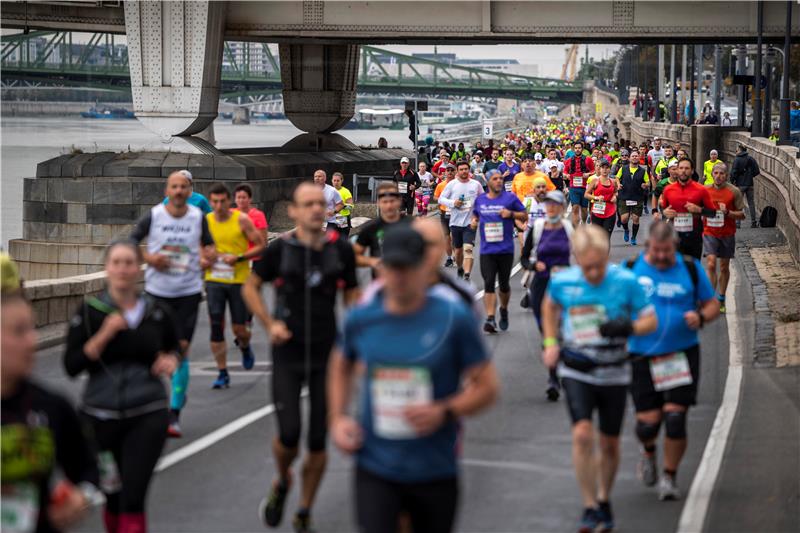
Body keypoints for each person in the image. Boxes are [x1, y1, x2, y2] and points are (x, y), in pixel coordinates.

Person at [328, 224, 499, 533]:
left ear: (424, 266)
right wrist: (338, 418)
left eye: (408, 267)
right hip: (375, 466)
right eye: (393, 267)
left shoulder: (453, 316)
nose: (400, 276)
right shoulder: (362, 316)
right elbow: (340, 365)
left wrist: (445, 411)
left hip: (433, 468)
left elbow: (487, 388)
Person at [242, 182, 359, 533]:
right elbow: (251, 286)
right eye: (306, 204)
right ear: (293, 211)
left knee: (319, 439)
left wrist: (353, 332)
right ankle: (282, 480)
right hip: (288, 354)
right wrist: (269, 324)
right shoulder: (282, 250)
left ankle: (305, 509)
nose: (314, 209)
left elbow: (352, 292)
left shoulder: (341, 251)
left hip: (328, 356)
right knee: (290, 434)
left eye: (319, 204)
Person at [541, 225, 657, 532]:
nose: (593, 272)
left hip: (615, 369)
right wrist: (551, 343)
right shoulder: (564, 281)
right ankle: (590, 505)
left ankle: (605, 499)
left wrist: (628, 328)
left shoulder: (626, 282)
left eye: (599, 265)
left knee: (609, 442)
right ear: (576, 258)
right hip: (577, 368)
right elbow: (549, 307)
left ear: (607, 257)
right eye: (586, 265)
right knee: (581, 434)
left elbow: (650, 320)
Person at [64, 240, 179, 533]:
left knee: (133, 496)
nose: (123, 269)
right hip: (99, 416)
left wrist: (170, 360)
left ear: (137, 268)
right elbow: (72, 365)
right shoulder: (91, 312)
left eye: (129, 262)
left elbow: (174, 348)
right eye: (117, 262)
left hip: (148, 412)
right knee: (113, 497)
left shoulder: (155, 311)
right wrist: (105, 334)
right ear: (106, 268)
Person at [626, 221, 720, 501]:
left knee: (676, 418)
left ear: (675, 247)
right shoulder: (631, 270)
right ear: (647, 247)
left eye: (667, 251)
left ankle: (669, 476)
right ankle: (648, 451)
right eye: (656, 251)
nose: (662, 257)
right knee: (647, 424)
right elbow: (612, 301)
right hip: (642, 355)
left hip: (681, 352)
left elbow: (711, 303)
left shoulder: (689, 268)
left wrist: (701, 317)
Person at [2, 277, 101, 533]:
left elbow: (88, 470)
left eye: (33, 329)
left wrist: (81, 497)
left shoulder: (51, 405)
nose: (32, 341)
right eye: (19, 331)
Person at [130, 170, 216, 438]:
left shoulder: (197, 218)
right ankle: (151, 403)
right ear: (167, 191)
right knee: (153, 350)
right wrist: (149, 258)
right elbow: (130, 242)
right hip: (157, 293)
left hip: (188, 294)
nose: (179, 191)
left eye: (184, 187)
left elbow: (210, 247)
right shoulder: (154, 216)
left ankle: (174, 413)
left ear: (190, 191)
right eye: (174, 187)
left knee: (180, 351)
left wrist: (207, 259)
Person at [204, 184, 266, 389]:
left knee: (239, 328)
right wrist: (204, 258)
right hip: (214, 279)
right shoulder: (206, 221)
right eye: (214, 202)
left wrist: (238, 257)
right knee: (216, 324)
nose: (219, 206)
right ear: (210, 202)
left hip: (238, 279)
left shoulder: (241, 219)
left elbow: (260, 245)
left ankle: (245, 347)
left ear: (228, 200)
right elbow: (195, 245)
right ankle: (222, 372)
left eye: (222, 201)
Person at [520, 190, 573, 401]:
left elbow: (578, 257)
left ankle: (555, 378)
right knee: (546, 332)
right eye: (548, 204)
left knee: (561, 331)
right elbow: (523, 259)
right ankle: (554, 374)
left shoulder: (569, 229)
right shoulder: (538, 228)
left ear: (562, 207)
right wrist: (534, 264)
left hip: (564, 285)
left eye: (555, 205)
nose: (551, 208)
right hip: (541, 284)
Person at [470, 170, 527, 333]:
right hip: (487, 250)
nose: (499, 181)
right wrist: (474, 222)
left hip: (506, 249)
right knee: (488, 283)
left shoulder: (510, 198)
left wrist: (511, 214)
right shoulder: (480, 200)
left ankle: (503, 309)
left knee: (503, 285)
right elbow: (475, 216)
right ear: (488, 182)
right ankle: (490, 318)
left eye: (501, 179)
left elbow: (524, 216)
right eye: (495, 179)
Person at [702, 163, 745, 313]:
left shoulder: (734, 191)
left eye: (722, 173)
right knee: (711, 264)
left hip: (727, 233)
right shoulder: (705, 190)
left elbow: (742, 215)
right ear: (712, 174)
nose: (718, 176)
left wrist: (728, 212)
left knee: (723, 267)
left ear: (726, 175)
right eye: (716, 173)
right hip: (709, 232)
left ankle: (721, 297)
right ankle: (709, 299)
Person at [658, 158, 718, 260]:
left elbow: (713, 213)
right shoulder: (668, 189)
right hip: (674, 237)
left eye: (687, 168)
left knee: (692, 270)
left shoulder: (701, 189)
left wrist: (699, 210)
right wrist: (664, 212)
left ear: (692, 170)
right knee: (676, 270)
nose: (683, 171)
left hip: (694, 236)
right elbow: (664, 209)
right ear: (677, 170)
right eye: (681, 168)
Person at [437, 160, 485, 281]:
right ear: (457, 172)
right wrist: (453, 203)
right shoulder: (452, 184)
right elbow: (440, 199)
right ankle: (460, 268)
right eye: (461, 169)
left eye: (466, 169)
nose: (464, 171)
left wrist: (478, 216)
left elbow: (483, 200)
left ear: (469, 170)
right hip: (455, 222)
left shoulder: (476, 184)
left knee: (468, 249)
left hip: (470, 222)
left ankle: (467, 275)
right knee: (458, 252)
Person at [354, 181, 407, 274]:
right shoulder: (370, 227)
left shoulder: (413, 225)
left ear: (399, 201)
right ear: (378, 202)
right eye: (385, 201)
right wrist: (372, 261)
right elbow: (354, 256)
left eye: (392, 201)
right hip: (381, 282)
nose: (389, 206)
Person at [616, 149, 650, 246]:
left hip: (637, 197)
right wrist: (618, 184)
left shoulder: (643, 171)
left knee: (635, 218)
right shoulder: (623, 168)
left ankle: (633, 237)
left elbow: (648, 182)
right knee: (624, 219)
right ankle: (626, 230)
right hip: (624, 196)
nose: (635, 157)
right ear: (630, 158)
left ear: (639, 158)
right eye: (633, 156)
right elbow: (617, 178)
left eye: (636, 156)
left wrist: (645, 185)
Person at [233, 183, 268, 259]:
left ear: (250, 198)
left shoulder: (258, 215)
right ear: (235, 199)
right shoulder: (231, 214)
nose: (241, 200)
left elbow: (264, 241)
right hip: (236, 259)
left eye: (244, 197)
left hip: (255, 258)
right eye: (238, 197)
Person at [729, 144, 760, 228]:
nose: (736, 151)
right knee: (751, 203)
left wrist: (733, 181)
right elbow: (757, 171)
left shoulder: (737, 159)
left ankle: (738, 224)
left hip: (740, 184)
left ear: (740, 150)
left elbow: (733, 173)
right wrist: (750, 176)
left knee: (738, 204)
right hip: (750, 184)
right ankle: (753, 222)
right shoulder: (750, 159)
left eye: (737, 150)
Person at [565, 141, 595, 226]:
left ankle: (584, 223)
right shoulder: (569, 160)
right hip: (573, 187)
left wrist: (588, 174)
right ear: (573, 149)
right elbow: (565, 171)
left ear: (582, 149)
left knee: (584, 209)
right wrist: (566, 175)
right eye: (576, 148)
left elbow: (594, 171)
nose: (577, 150)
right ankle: (576, 230)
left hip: (585, 188)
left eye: (579, 148)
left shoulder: (588, 159)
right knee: (575, 208)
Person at [585, 159, 618, 238]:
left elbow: (616, 192)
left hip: (610, 211)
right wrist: (596, 197)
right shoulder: (595, 181)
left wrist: (615, 196)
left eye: (607, 168)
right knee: (598, 238)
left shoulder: (613, 181)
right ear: (599, 169)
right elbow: (586, 194)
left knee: (606, 237)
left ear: (610, 169)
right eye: (603, 168)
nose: (605, 170)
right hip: (597, 211)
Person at [434, 163, 457, 267]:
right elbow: (435, 197)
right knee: (447, 237)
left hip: (456, 212)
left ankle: (457, 253)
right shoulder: (441, 185)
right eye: (448, 170)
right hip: (444, 212)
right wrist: (442, 201)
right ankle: (449, 258)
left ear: (455, 172)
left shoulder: (459, 184)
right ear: (445, 172)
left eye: (452, 170)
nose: (450, 172)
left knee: (454, 236)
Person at [331, 172, 354, 236]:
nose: (336, 182)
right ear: (332, 181)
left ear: (342, 181)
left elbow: (351, 206)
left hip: (343, 219)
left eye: (338, 180)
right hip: (332, 218)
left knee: (343, 240)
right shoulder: (329, 191)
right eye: (334, 180)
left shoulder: (346, 191)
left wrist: (341, 206)